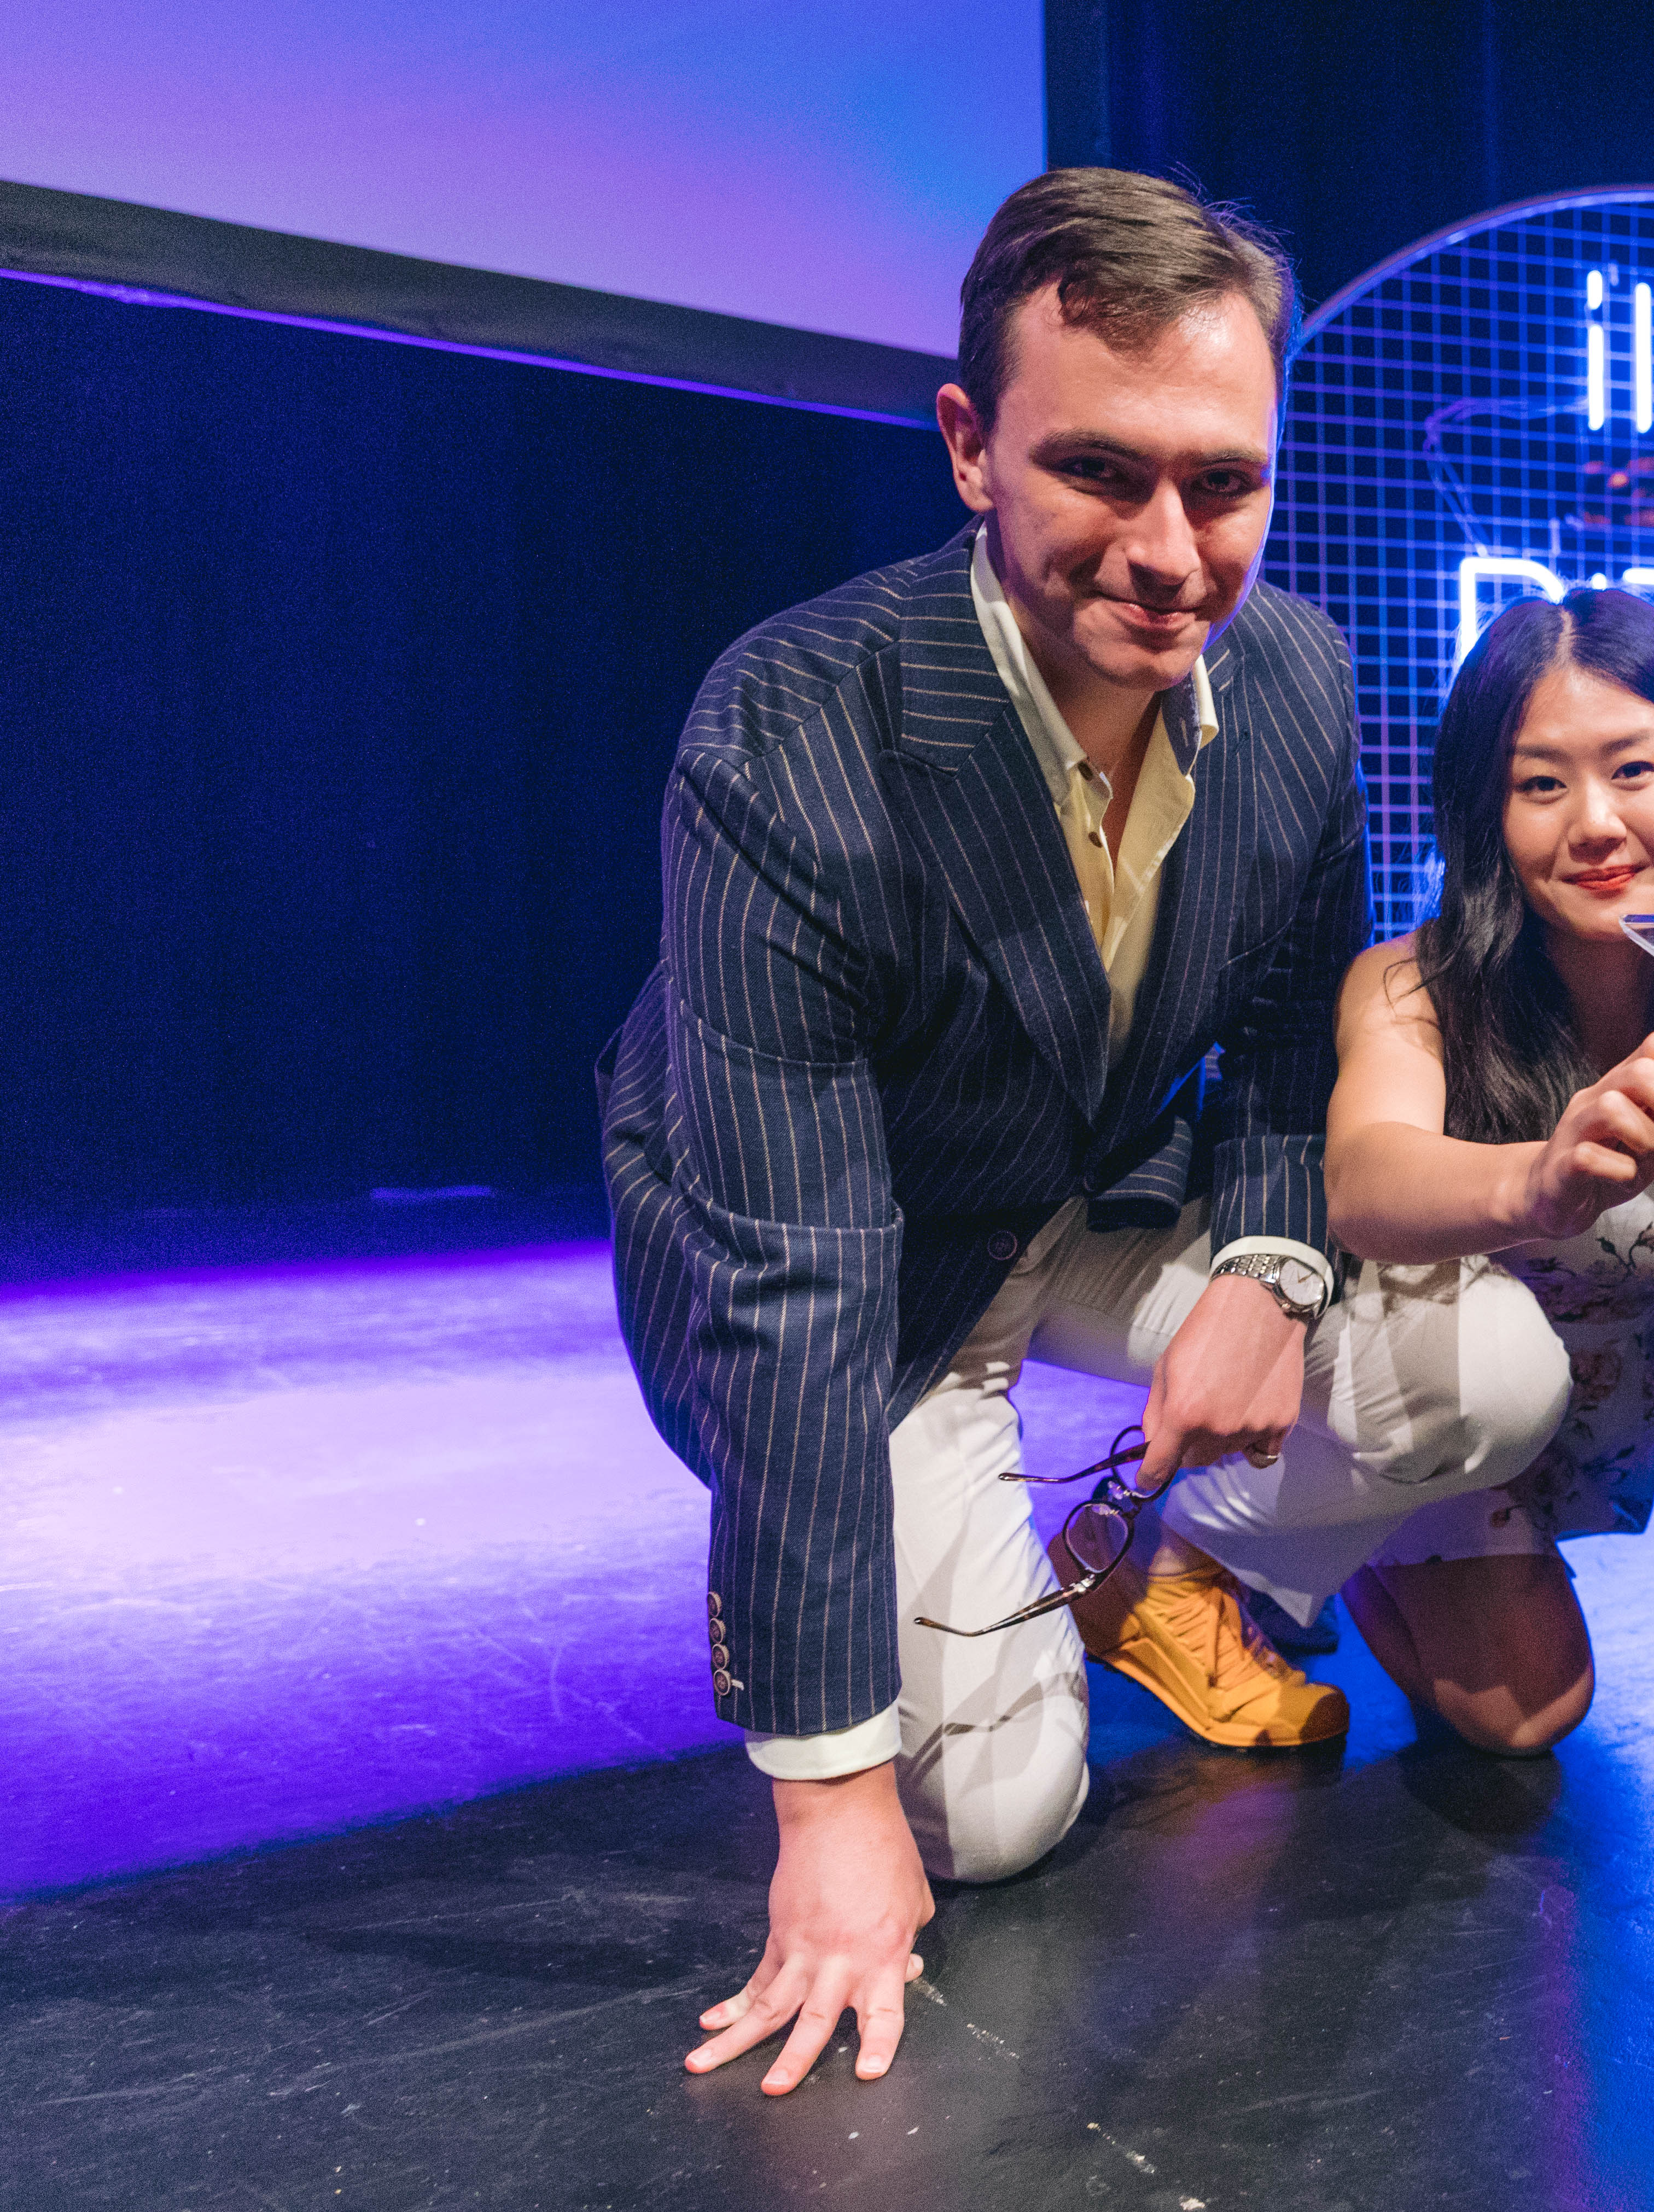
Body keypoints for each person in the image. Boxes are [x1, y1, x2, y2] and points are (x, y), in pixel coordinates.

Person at [598, 170, 1559, 2098]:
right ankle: (817, 1581)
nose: (1171, 549)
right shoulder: (790, 736)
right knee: (998, 1820)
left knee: (1486, 1372)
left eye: (1223, 482)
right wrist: (831, 1800)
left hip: (1097, 1195)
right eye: (1101, 474)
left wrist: (1277, 1273)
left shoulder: (1291, 673)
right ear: (971, 446)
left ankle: (1147, 1569)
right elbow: (792, 1277)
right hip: (853, 1266)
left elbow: (1293, 1025)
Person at [1201, 588, 1654, 1752]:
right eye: (1540, 783)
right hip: (1439, 1399)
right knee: (1530, 1711)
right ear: (1485, 811)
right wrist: (1537, 1178)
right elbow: (1365, 1174)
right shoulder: (1412, 984)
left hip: (1594, 1409)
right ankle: (1231, 1538)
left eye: (1633, 769)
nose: (1595, 823)